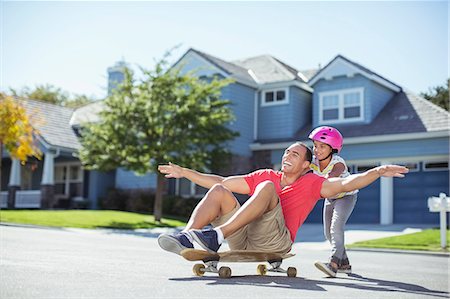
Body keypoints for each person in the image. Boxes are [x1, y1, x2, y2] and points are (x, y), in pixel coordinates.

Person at [157, 142, 408, 275]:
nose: (287, 155)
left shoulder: (312, 182)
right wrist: (184, 173)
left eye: (295, 154)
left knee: (266, 187)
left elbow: (344, 183)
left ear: (307, 165)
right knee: (220, 191)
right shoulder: (268, 174)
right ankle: (186, 238)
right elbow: (222, 181)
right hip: (244, 236)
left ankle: (216, 236)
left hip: (276, 241)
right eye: (287, 152)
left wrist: (376, 171)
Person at [308, 126, 358, 277]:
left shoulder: (338, 162)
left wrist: (318, 181)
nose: (317, 149)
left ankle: (333, 264)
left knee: (336, 228)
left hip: (346, 196)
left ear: (333, 148)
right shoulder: (314, 161)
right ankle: (345, 264)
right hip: (331, 197)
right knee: (328, 233)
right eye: (315, 145)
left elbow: (332, 176)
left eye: (322, 146)